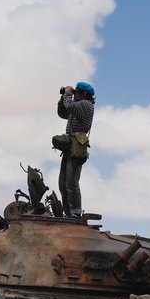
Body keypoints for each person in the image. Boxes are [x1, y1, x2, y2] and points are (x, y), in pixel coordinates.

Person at [56, 81, 95, 217]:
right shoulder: (78, 106)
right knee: (63, 183)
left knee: (71, 183)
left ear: (84, 94)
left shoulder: (86, 105)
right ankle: (68, 213)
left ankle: (76, 212)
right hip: (69, 146)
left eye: (77, 92)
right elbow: (63, 113)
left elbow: (69, 105)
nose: (75, 94)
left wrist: (67, 93)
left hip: (77, 147)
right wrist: (63, 97)